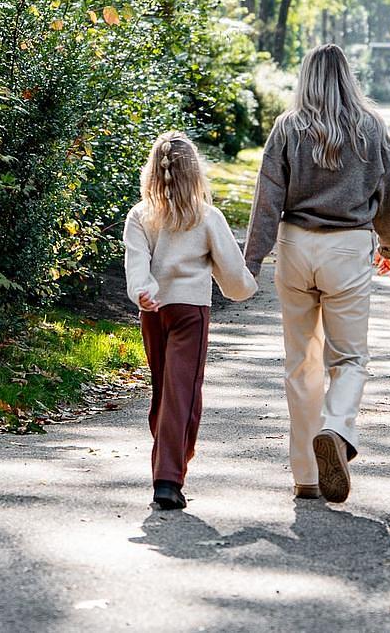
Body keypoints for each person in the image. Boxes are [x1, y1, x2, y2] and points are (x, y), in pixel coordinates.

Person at [244, 45, 390, 503]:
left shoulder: (288, 128)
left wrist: (252, 260)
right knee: (349, 359)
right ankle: (336, 429)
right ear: (348, 78)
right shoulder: (371, 128)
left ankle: (306, 477)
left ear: (307, 78)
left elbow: (267, 200)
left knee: (301, 364)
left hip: (295, 247)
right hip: (348, 248)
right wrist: (389, 243)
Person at [124, 131, 258, 510]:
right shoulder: (205, 216)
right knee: (183, 395)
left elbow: (137, 266)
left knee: (165, 392)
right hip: (191, 315)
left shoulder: (141, 215)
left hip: (153, 313)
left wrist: (145, 292)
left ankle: (168, 464)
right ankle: (168, 477)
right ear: (195, 173)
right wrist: (249, 286)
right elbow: (233, 276)